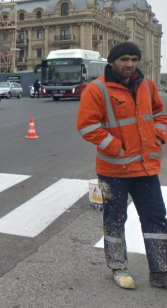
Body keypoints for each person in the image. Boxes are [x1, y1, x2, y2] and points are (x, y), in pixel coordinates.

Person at [76, 42, 167, 290]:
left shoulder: (147, 85)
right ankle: (118, 267)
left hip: (145, 168)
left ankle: (160, 270)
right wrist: (117, 147)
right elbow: (87, 126)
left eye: (134, 59)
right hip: (113, 170)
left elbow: (160, 114)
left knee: (156, 218)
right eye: (125, 59)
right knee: (115, 219)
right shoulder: (97, 89)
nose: (130, 64)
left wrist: (159, 135)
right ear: (113, 61)